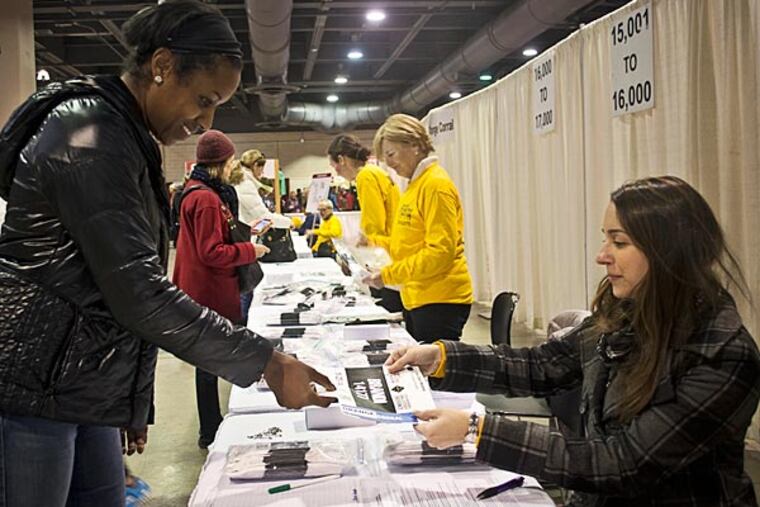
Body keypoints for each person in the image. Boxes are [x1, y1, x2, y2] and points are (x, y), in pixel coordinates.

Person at [0, 2, 334, 505]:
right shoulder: (89, 132)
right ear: (161, 67)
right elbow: (137, 290)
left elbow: (111, 294)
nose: (205, 121)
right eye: (203, 99)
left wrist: (127, 403)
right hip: (30, 392)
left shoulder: (125, 135)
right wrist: (267, 362)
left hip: (74, 387)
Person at [386, 176, 760, 506]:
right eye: (605, 239)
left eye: (620, 242)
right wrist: (441, 358)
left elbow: (624, 464)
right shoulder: (625, 316)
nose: (602, 255)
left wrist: (477, 432)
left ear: (670, 253)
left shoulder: (722, 356)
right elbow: (543, 365)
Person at [173, 130, 269, 448]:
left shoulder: (195, 191)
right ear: (221, 163)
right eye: (229, 162)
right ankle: (211, 431)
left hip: (201, 289)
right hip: (208, 292)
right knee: (210, 362)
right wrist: (250, 252)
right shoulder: (206, 199)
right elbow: (211, 252)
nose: (232, 167)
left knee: (209, 362)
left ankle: (211, 428)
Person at [365, 113, 473, 342]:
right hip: (418, 296)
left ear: (414, 145)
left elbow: (440, 253)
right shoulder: (415, 185)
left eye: (391, 154)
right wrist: (372, 243)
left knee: (433, 375)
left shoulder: (435, 185)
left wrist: (388, 275)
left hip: (440, 300)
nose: (390, 164)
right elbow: (408, 243)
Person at [327, 133, 402, 312]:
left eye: (334, 165)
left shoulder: (366, 176)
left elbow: (374, 223)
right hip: (391, 249)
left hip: (385, 255)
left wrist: (360, 252)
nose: (335, 171)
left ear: (342, 159)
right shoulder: (374, 172)